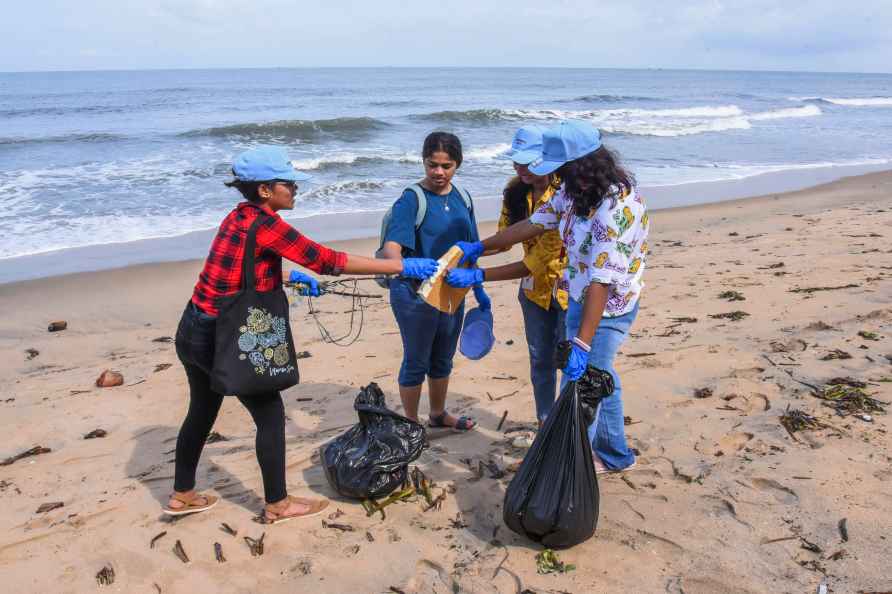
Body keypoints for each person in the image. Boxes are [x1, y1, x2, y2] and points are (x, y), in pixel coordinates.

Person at [165, 146, 438, 523]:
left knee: (201, 410)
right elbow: (328, 260)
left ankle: (182, 494)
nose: (294, 189)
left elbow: (235, 273)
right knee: (271, 415)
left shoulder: (237, 217)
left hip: (193, 329)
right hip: (224, 338)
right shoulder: (266, 224)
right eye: (288, 183)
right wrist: (402, 265)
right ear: (265, 190)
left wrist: (291, 278)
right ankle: (278, 504)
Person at [451, 121, 648, 473]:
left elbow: (602, 281)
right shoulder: (573, 191)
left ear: (582, 166)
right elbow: (535, 223)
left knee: (581, 383)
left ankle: (568, 465)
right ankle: (617, 455)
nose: (554, 176)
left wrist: (583, 345)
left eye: (560, 170)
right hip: (577, 294)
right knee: (602, 378)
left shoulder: (616, 207)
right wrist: (482, 246)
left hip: (607, 308)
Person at [447, 126, 567, 423]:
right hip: (533, 294)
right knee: (540, 359)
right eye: (516, 160)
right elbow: (505, 239)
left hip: (568, 292)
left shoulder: (565, 195)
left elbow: (535, 262)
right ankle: (545, 422)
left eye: (528, 160)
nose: (520, 167)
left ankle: (569, 429)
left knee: (570, 363)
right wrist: (466, 253)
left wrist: (479, 276)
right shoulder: (515, 192)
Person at [377, 131, 489, 432]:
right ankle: (412, 424)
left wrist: (477, 286)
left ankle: (438, 414)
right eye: (432, 164)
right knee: (416, 360)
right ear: (424, 162)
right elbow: (392, 249)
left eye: (446, 165)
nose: (438, 172)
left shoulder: (463, 198)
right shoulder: (412, 199)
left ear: (458, 164)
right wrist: (407, 267)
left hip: (452, 292)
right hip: (414, 294)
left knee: (443, 357)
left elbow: (472, 247)